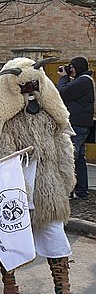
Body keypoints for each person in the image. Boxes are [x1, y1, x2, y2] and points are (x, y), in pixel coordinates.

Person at [0, 57, 91, 294]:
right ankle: (10, 283)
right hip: (15, 185)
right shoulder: (4, 116)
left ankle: (63, 291)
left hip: (47, 185)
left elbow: (62, 144)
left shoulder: (48, 115)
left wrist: (66, 175)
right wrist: (10, 162)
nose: (30, 93)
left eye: (33, 87)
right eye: (24, 88)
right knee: (11, 232)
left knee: (55, 233)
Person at [57, 56, 94, 200]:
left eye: (72, 67)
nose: (70, 70)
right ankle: (81, 190)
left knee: (72, 157)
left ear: (78, 67)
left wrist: (64, 77)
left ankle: (71, 190)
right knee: (79, 158)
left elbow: (62, 92)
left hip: (77, 125)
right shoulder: (83, 80)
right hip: (81, 124)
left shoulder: (84, 81)